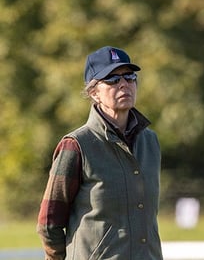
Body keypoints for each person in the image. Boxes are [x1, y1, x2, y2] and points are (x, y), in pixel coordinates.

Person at [36, 46, 162, 260]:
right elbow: (49, 224)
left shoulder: (150, 142)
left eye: (129, 77)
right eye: (112, 79)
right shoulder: (76, 145)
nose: (124, 84)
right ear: (94, 92)